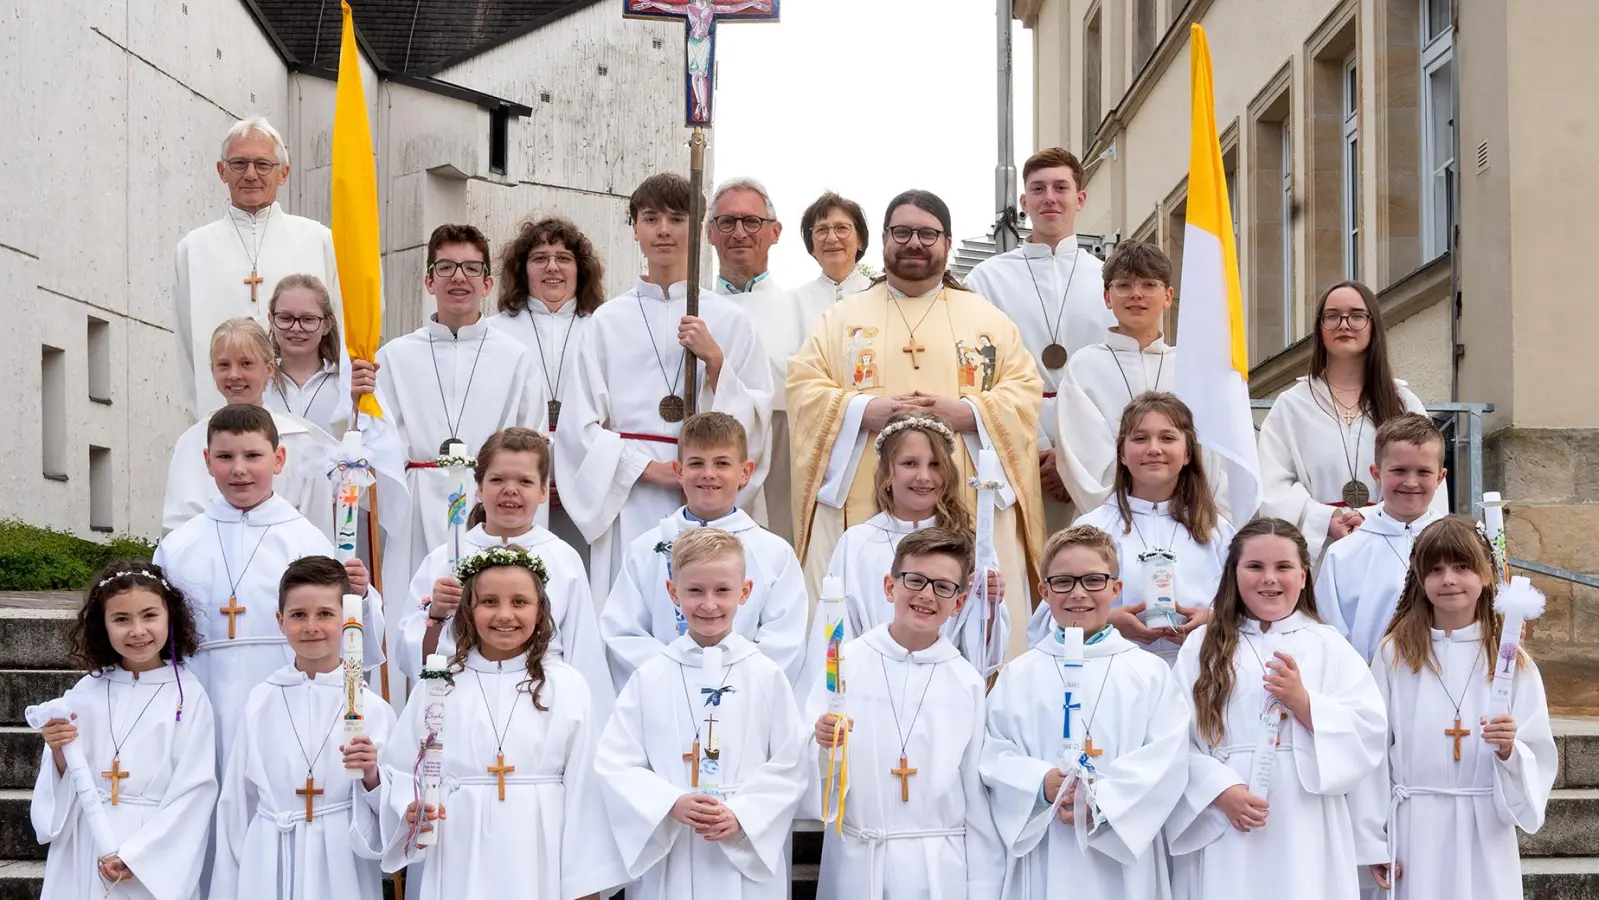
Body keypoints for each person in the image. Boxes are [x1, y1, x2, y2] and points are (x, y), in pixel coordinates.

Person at [789, 189, 1044, 660]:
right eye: (902, 232)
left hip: (964, 500)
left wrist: (970, 414)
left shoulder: (987, 319)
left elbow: (1025, 391)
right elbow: (804, 386)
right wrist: (862, 410)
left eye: (928, 234)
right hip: (869, 510)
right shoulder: (842, 319)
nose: (914, 243)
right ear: (883, 241)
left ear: (947, 243)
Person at [558, 173, 773, 602]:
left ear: (697, 230)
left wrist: (715, 362)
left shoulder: (730, 320)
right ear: (634, 228)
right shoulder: (606, 321)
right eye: (650, 218)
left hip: (703, 491)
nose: (663, 230)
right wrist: (645, 468)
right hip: (629, 493)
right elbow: (578, 426)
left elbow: (756, 420)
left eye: (677, 219)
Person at [381, 545, 622, 899]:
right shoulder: (438, 684)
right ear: (468, 610)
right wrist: (410, 808)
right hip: (458, 843)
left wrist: (585, 885)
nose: (505, 614)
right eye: (490, 601)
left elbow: (586, 791)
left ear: (540, 612)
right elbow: (401, 769)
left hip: (541, 846)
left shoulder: (566, 685)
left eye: (519, 602)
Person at [1166, 518, 1387, 900]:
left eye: (1283, 567)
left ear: (1303, 576)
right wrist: (1221, 790)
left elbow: (1368, 731)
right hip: (1226, 814)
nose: (1270, 578)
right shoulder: (1202, 645)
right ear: (1233, 575)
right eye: (1255, 567)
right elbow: (1172, 735)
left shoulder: (1327, 644)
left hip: (1305, 815)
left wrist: (1304, 703)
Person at [154, 404, 385, 765]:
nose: (239, 469)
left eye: (252, 455)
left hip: (283, 696)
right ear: (207, 461)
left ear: (278, 459)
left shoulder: (307, 540)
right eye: (225, 457)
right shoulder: (178, 546)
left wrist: (360, 596)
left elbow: (346, 632)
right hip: (201, 694)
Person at [594, 528, 809, 900]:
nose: (709, 603)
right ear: (673, 592)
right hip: (673, 847)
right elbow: (616, 761)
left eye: (722, 590)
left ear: (745, 592)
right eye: (695, 591)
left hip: (740, 846)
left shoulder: (764, 674)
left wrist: (742, 813)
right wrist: (670, 802)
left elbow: (791, 762)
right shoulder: (651, 675)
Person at [982, 526, 1189, 899]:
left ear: (1115, 587)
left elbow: (1168, 756)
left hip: (1121, 855)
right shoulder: (1019, 674)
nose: (1078, 593)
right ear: (1044, 591)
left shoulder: (1148, 672)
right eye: (1063, 582)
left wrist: (1103, 802)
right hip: (1046, 851)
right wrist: (1041, 784)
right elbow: (993, 753)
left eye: (1093, 580)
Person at [1357, 516, 1556, 900]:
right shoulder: (1396, 654)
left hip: (1485, 825)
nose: (1448, 579)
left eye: (1462, 566)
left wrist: (1510, 751)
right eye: (1435, 569)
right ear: (1419, 579)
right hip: (1414, 825)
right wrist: (1372, 838)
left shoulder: (1509, 660)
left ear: (1485, 576)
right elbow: (1372, 751)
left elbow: (1538, 748)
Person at [809, 527, 1005, 900]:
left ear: (959, 603)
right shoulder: (845, 664)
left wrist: (982, 887)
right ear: (889, 587)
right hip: (858, 859)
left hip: (938, 868)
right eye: (915, 580)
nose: (927, 595)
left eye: (943, 587)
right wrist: (822, 744)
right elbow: (808, 766)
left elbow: (977, 799)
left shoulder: (966, 683)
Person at [374, 224, 544, 603]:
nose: (458, 278)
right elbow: (380, 446)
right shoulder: (394, 357)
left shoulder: (515, 357)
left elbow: (530, 444)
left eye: (470, 268)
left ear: (487, 283)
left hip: (489, 506)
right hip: (414, 506)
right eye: (446, 267)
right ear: (428, 280)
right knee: (413, 611)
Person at [211, 556, 398, 900]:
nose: (311, 626)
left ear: (348, 620)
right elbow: (236, 804)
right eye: (299, 615)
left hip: (342, 860)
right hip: (269, 855)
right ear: (280, 621)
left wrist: (372, 775)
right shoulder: (261, 701)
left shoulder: (372, 708)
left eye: (325, 614)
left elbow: (396, 806)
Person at [397, 428, 611, 722]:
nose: (510, 490)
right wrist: (435, 613)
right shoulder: (442, 559)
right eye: (497, 479)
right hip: (462, 702)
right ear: (478, 487)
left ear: (543, 491)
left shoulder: (563, 559)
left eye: (525, 481)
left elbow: (583, 649)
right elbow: (412, 659)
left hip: (542, 702)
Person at [32, 563, 216, 900]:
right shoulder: (85, 692)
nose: (137, 631)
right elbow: (62, 781)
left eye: (149, 616)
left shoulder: (187, 695)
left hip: (150, 846)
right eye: (121, 619)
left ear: (169, 617)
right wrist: (57, 750)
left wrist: (140, 857)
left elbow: (194, 789)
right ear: (102, 626)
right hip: (86, 841)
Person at [964, 148, 1117, 533]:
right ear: (1024, 202)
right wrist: (1039, 448)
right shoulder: (984, 281)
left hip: (1095, 452)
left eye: (1061, 187)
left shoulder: (1109, 281)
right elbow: (977, 376)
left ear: (1080, 198)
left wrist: (1071, 456)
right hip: (1011, 446)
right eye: (1038, 189)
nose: (1050, 197)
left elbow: (1116, 375)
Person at [599, 412, 806, 690]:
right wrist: (678, 672)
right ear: (678, 471)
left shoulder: (774, 553)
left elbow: (783, 639)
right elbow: (623, 631)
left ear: (745, 472)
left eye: (722, 463)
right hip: (667, 692)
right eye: (696, 463)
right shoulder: (644, 550)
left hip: (742, 694)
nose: (709, 473)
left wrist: (727, 678)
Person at [798, 412, 1005, 684]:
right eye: (910, 463)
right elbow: (837, 630)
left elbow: (982, 656)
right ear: (887, 471)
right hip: (870, 683)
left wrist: (989, 603)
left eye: (935, 464)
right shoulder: (858, 542)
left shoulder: (971, 545)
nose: (923, 476)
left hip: (943, 685)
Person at [1034, 393, 1235, 664]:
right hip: (1114, 676)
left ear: (1188, 454)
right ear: (1123, 454)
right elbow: (1047, 620)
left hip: (1198, 675)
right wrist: (1104, 621)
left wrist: (1212, 618)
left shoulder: (1217, 531)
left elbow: (1248, 609)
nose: (1154, 449)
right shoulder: (1091, 529)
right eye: (1140, 438)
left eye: (1167, 438)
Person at [1259, 281, 1446, 564]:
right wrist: (1325, 519)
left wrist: (1369, 518)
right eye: (1332, 316)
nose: (1344, 324)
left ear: (1373, 325)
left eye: (1357, 315)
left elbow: (1428, 481)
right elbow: (1271, 486)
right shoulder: (1292, 406)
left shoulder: (1403, 403)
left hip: (1392, 550)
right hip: (1318, 553)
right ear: (1319, 328)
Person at [173, 117, 346, 421]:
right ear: (221, 170)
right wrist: (198, 420)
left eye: (263, 164)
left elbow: (340, 332)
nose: (251, 175)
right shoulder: (193, 248)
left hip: (311, 418)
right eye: (239, 163)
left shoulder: (319, 240)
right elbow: (187, 347)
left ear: (284, 173)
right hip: (222, 423)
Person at [736, 190, 873, 542]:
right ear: (810, 244)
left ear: (860, 239)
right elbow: (783, 370)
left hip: (871, 436)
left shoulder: (882, 295)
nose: (831, 238)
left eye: (842, 228)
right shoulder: (790, 302)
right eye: (821, 230)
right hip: (810, 440)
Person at [489, 217, 608, 555]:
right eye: (539, 258)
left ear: (580, 270)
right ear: (522, 269)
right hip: (516, 481)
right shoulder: (494, 333)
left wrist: (569, 477)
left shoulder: (603, 328)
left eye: (564, 258)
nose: (552, 267)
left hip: (588, 481)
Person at [162, 317, 338, 539]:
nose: (234, 375)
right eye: (224, 365)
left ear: (269, 369)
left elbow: (317, 528)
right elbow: (178, 526)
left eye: (246, 363)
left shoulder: (302, 441)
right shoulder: (192, 441)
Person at [1053, 241, 1179, 511]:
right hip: (1109, 519)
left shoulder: (1187, 366)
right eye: (1123, 285)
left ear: (1168, 296)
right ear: (1107, 298)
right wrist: (1130, 511)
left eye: (1148, 285)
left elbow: (1209, 454)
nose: (1136, 294)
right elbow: (1082, 461)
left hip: (1184, 516)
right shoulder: (1085, 367)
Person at [1315, 413, 1449, 661]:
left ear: (1440, 477)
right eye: (1399, 470)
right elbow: (1328, 634)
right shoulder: (1344, 553)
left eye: (1423, 472)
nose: (1410, 482)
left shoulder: (1455, 546)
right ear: (1376, 473)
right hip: (1369, 686)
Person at [263, 273, 375, 439]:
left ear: (327, 324)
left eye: (308, 319)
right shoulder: (259, 381)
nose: (296, 328)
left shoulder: (346, 381)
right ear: (271, 320)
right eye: (285, 318)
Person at [709, 177, 783, 296]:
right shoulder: (694, 311)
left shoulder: (799, 310)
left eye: (752, 222)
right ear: (709, 233)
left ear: (775, 232)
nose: (739, 234)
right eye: (727, 222)